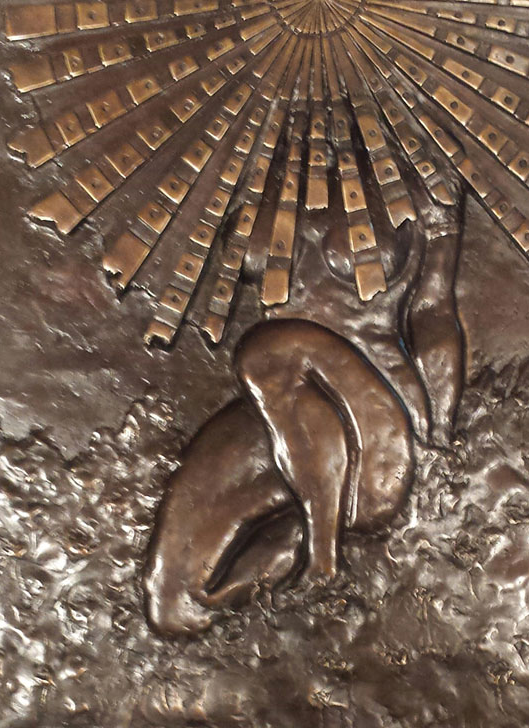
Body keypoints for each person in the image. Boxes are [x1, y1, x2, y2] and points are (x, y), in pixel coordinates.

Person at [144, 175, 465, 636]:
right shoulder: (254, 165)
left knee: (264, 351)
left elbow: (433, 314)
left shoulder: (424, 175)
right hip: (280, 416)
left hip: (374, 435)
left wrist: (438, 441)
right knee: (172, 606)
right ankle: (291, 555)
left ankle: (323, 559)